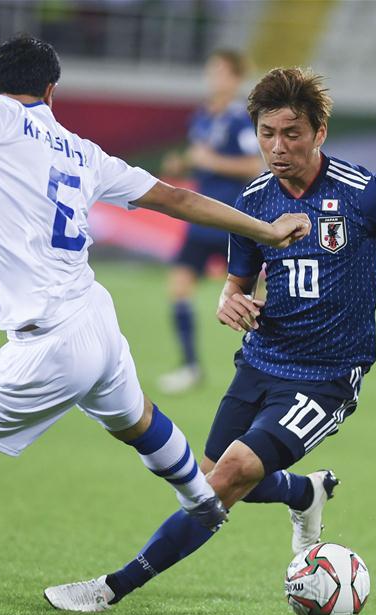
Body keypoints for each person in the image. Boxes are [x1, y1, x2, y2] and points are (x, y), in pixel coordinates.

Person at [0, 0, 311, 615]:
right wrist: (265, 230)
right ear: (52, 91)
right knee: (136, 421)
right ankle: (201, 497)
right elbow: (175, 198)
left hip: (48, 341)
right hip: (96, 318)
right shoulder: (82, 151)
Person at [44, 67, 376, 612]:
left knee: (227, 480)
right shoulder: (255, 199)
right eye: (267, 134)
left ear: (320, 133)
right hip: (262, 360)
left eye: (292, 134)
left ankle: (112, 587)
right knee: (212, 476)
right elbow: (237, 281)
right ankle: (302, 491)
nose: (278, 147)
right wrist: (227, 299)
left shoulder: (363, 193)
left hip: (325, 377)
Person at [158, 50, 264, 394]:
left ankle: (266, 367)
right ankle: (190, 367)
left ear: (235, 79)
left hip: (232, 220)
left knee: (254, 300)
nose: (215, 77)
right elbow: (200, 160)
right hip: (201, 219)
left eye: (221, 72)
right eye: (212, 70)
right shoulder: (202, 117)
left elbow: (254, 167)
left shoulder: (240, 120)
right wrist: (183, 166)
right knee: (178, 286)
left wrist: (211, 160)